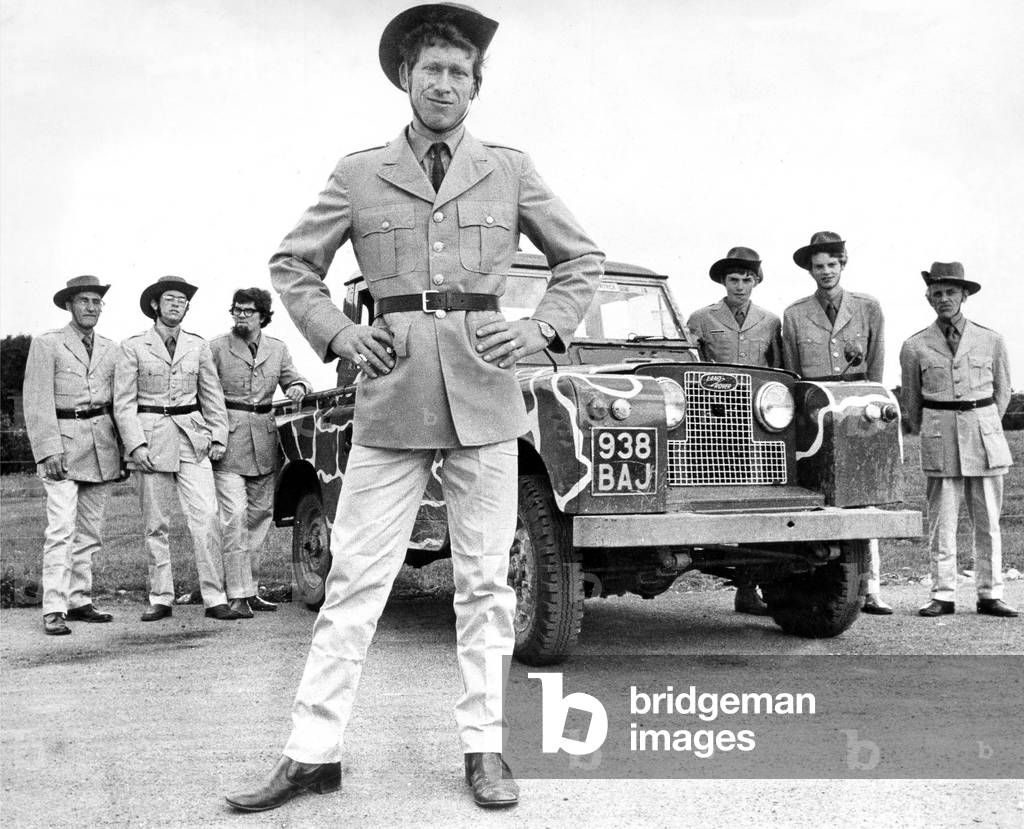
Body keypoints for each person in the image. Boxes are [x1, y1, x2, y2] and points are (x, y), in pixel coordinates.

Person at [225, 3, 603, 812]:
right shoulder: (359, 172)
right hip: (391, 404)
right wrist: (337, 336)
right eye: (429, 70)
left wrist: (540, 331)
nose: (443, 85)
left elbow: (583, 258)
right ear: (405, 78)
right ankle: (311, 752)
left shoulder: (510, 168)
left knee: (485, 583)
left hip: (486, 403)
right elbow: (294, 264)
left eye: (458, 73)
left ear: (477, 85)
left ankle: (487, 751)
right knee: (354, 580)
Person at [113, 276, 238, 621]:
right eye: (169, 299)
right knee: (156, 524)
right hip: (151, 439)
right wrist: (135, 444)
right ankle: (161, 597)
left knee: (207, 518)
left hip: (192, 438)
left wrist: (218, 437)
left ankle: (215, 597)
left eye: (182, 301)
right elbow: (123, 403)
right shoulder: (133, 346)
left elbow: (212, 396)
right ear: (155, 304)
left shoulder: (198, 346)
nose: (176, 305)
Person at [781, 231, 891, 615]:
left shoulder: (868, 308)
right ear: (810, 270)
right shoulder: (794, 314)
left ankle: (870, 588)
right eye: (818, 266)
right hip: (815, 416)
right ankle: (828, 585)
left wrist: (870, 405)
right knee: (817, 495)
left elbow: (875, 367)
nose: (825, 272)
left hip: (856, 411)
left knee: (861, 500)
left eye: (832, 264)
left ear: (843, 265)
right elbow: (792, 372)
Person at [900, 262, 1017, 619]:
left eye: (951, 292)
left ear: (964, 295)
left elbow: (1003, 392)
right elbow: (911, 401)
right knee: (942, 522)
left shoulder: (991, 339)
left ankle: (990, 593)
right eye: (937, 293)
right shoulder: (915, 345)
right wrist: (935, 427)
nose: (944, 299)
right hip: (940, 436)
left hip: (983, 437)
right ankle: (943, 593)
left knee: (988, 522)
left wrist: (984, 425)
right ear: (928, 298)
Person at [23, 275, 121, 635]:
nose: (91, 308)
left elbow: (117, 404)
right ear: (69, 305)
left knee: (90, 532)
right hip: (62, 448)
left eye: (97, 302)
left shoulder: (111, 348)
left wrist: (121, 452)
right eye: (84, 301)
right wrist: (47, 449)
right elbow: (36, 401)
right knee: (61, 529)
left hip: (102, 448)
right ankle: (54, 607)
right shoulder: (48, 344)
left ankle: (80, 598)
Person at [687, 246, 781, 616]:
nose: (740, 286)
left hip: (756, 428)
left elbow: (780, 372)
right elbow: (689, 366)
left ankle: (748, 589)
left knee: (755, 505)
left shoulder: (771, 322)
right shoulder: (701, 318)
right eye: (733, 280)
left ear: (756, 282)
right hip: (709, 424)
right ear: (723, 282)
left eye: (747, 279)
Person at [211, 288, 309, 618]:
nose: (240, 316)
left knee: (259, 520)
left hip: (266, 445)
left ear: (262, 315)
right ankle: (236, 595)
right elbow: (203, 394)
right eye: (236, 310)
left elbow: (293, 379)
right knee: (235, 519)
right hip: (228, 443)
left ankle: (249, 591)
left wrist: (298, 388)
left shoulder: (277, 349)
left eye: (248, 311)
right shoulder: (217, 348)